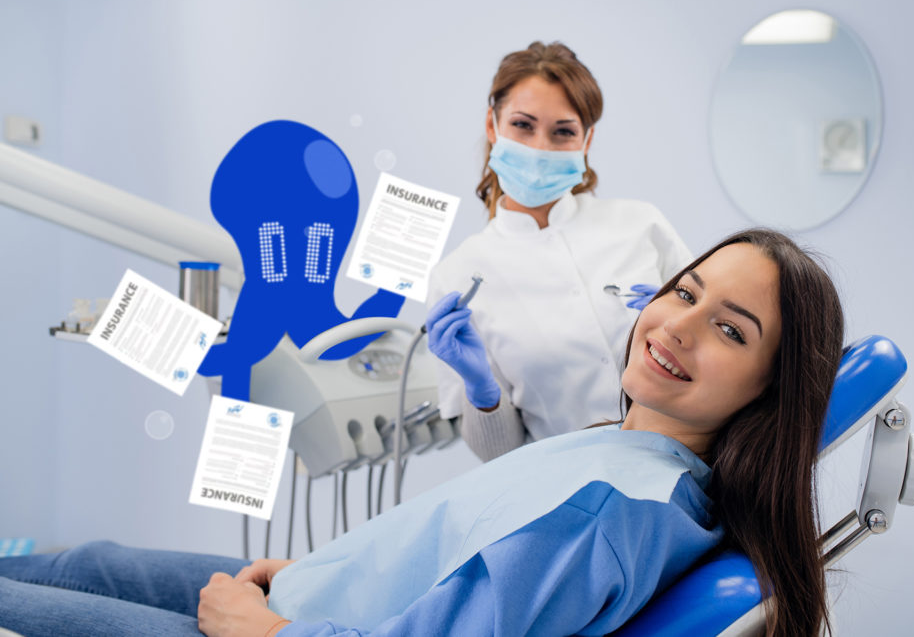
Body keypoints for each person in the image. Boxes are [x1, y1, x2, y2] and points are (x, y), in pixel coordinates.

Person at [0, 229, 843, 636]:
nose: (678, 326)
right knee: (87, 563)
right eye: (683, 291)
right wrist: (326, 569)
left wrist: (269, 631)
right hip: (310, 596)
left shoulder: (608, 509)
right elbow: (466, 556)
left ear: (775, 389)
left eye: (732, 330)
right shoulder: (631, 455)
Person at [427, 40, 693, 462]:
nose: (540, 148)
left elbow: (718, 352)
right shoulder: (457, 277)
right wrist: (481, 390)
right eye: (523, 125)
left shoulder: (642, 225)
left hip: (692, 463)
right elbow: (500, 455)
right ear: (493, 126)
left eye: (563, 131)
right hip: (572, 492)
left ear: (587, 140)